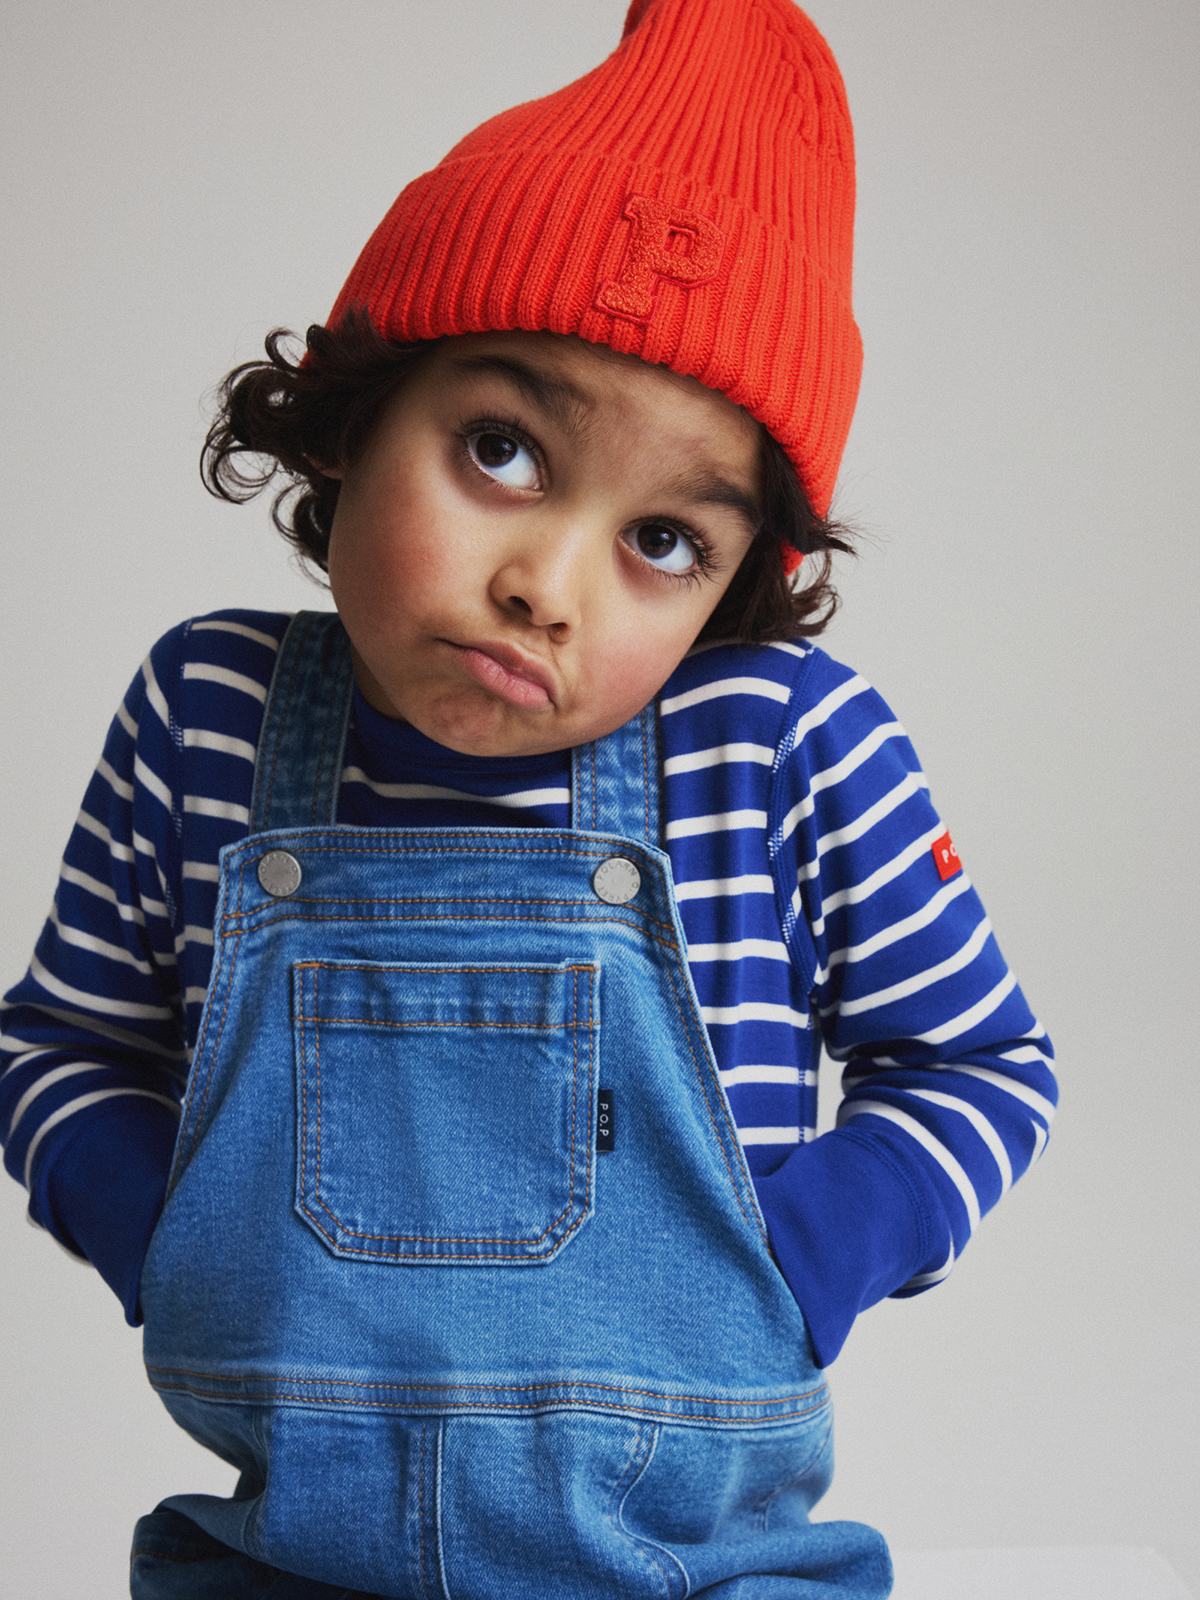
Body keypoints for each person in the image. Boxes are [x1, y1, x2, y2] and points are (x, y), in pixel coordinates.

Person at [0, 1, 1057, 1595]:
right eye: (502, 450)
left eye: (664, 542)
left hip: (704, 1570)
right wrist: (177, 1242)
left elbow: (983, 1065)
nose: (545, 586)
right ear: (356, 413)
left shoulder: (781, 748)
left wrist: (800, 1259)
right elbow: (60, 1043)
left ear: (732, 589)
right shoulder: (205, 712)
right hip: (282, 1562)